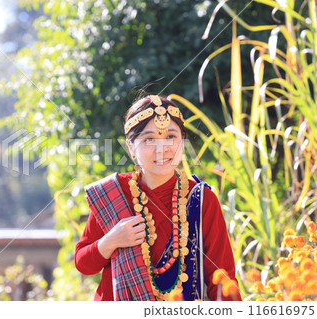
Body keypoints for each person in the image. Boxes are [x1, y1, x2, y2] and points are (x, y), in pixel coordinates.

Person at [75, 95, 241, 301]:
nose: (162, 148)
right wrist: (112, 240)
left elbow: (223, 280)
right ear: (131, 148)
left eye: (171, 137)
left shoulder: (201, 200)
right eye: (149, 139)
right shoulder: (113, 195)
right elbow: (83, 264)